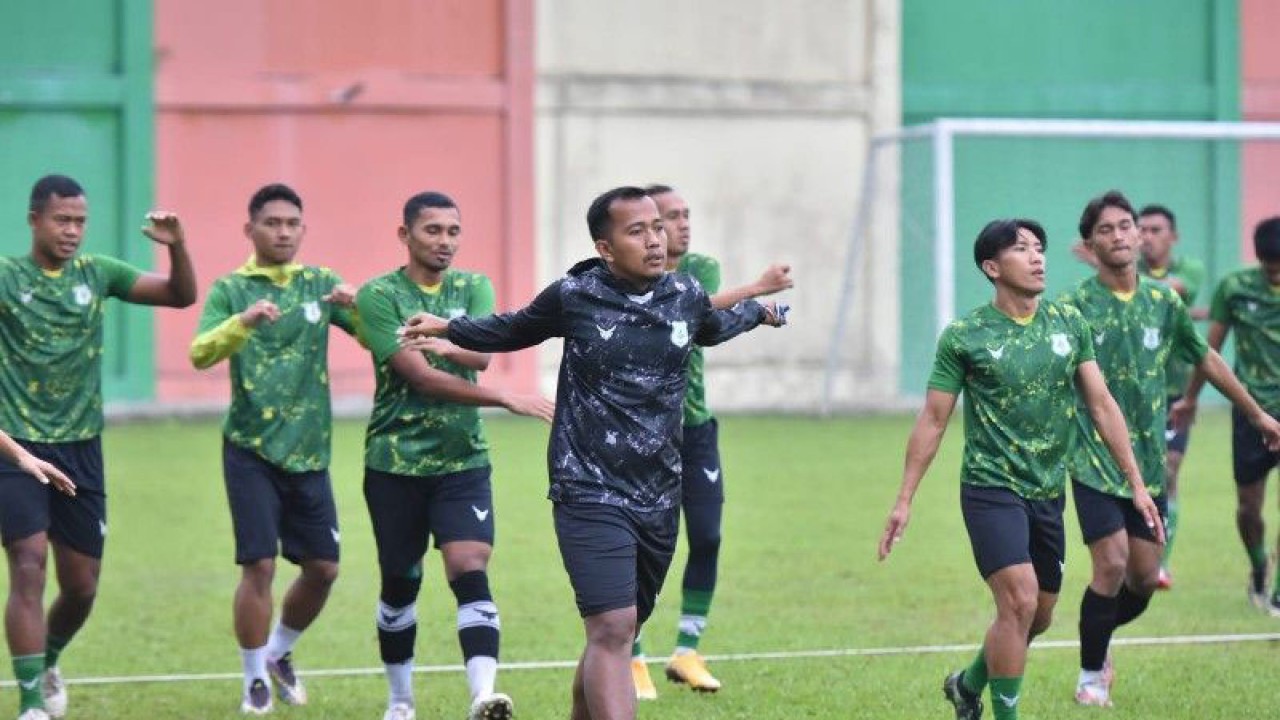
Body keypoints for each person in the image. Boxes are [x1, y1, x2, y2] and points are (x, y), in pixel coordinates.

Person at [398, 185, 786, 720]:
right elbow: (513, 328)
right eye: (637, 231)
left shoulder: (686, 294)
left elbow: (715, 327)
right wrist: (449, 327)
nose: (655, 240)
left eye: (657, 228)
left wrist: (762, 313)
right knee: (609, 626)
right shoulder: (575, 295)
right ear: (605, 248)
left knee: (620, 630)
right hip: (588, 487)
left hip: (658, 493)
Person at [877, 218, 1160, 720]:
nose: (1037, 257)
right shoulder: (965, 336)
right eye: (1022, 249)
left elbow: (1102, 405)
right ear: (992, 267)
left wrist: (1136, 485)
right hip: (990, 489)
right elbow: (933, 419)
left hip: (1048, 491)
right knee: (1020, 601)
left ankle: (967, 685)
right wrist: (904, 500)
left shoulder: (1068, 324)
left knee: (1037, 616)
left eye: (1040, 248)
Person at [1061, 191, 1280, 707]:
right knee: (1111, 566)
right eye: (1106, 229)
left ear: (1139, 236)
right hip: (1093, 457)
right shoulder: (1073, 306)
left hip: (1148, 461)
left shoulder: (1163, 302)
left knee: (1141, 579)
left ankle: (1099, 638)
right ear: (1090, 244)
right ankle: (1091, 676)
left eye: (1125, 226)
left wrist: (1256, 413)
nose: (1119, 235)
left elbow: (1205, 357)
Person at [0, 174, 197, 720]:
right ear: (34, 220)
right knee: (28, 562)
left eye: (80, 221)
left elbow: (181, 297)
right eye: (61, 220)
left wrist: (177, 247)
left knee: (82, 587)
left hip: (81, 448)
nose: (71, 231)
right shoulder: (7, 277)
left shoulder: (99, 273)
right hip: (15, 446)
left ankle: (49, 658)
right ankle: (32, 702)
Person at [355, 191, 554, 720]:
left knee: (469, 565)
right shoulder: (379, 295)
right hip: (394, 463)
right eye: (433, 231)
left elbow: (482, 354)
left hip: (463, 460)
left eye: (453, 231)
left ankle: (482, 695)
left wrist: (447, 341)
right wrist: (505, 396)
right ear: (405, 235)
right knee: (401, 582)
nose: (445, 242)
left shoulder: (473, 286)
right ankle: (400, 701)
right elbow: (419, 377)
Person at [189, 183, 358, 714]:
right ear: (251, 229)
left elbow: (380, 337)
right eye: (272, 223)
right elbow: (199, 353)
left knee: (324, 568)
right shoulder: (231, 289)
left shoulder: (321, 285)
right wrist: (242, 322)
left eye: (292, 224)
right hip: (250, 448)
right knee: (258, 565)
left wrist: (360, 307)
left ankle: (278, 654)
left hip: (310, 451)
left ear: (303, 230)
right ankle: (252, 681)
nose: (283, 232)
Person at [628, 184, 792, 698]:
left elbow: (707, 320)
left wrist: (753, 312)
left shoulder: (700, 264)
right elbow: (692, 319)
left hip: (695, 426)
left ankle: (686, 652)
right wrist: (756, 293)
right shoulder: (630, 277)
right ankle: (630, 655)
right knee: (639, 545)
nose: (681, 224)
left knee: (708, 536)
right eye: (669, 217)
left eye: (684, 215)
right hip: (642, 431)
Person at [1175, 215, 1280, 616]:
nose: (1274, 275)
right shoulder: (1234, 287)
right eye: (1269, 267)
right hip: (1252, 411)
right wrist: (1190, 398)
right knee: (1249, 507)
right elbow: (1210, 350)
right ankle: (1258, 567)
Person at [1136, 204, 1208, 588]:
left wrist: (1113, 275)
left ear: (1172, 236)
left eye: (1155, 229)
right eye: (1141, 229)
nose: (1147, 236)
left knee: (1168, 472)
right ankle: (1135, 556)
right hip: (1131, 397)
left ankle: (1161, 563)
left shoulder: (1187, 270)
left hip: (1174, 395)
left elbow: (1173, 291)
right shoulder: (1128, 276)